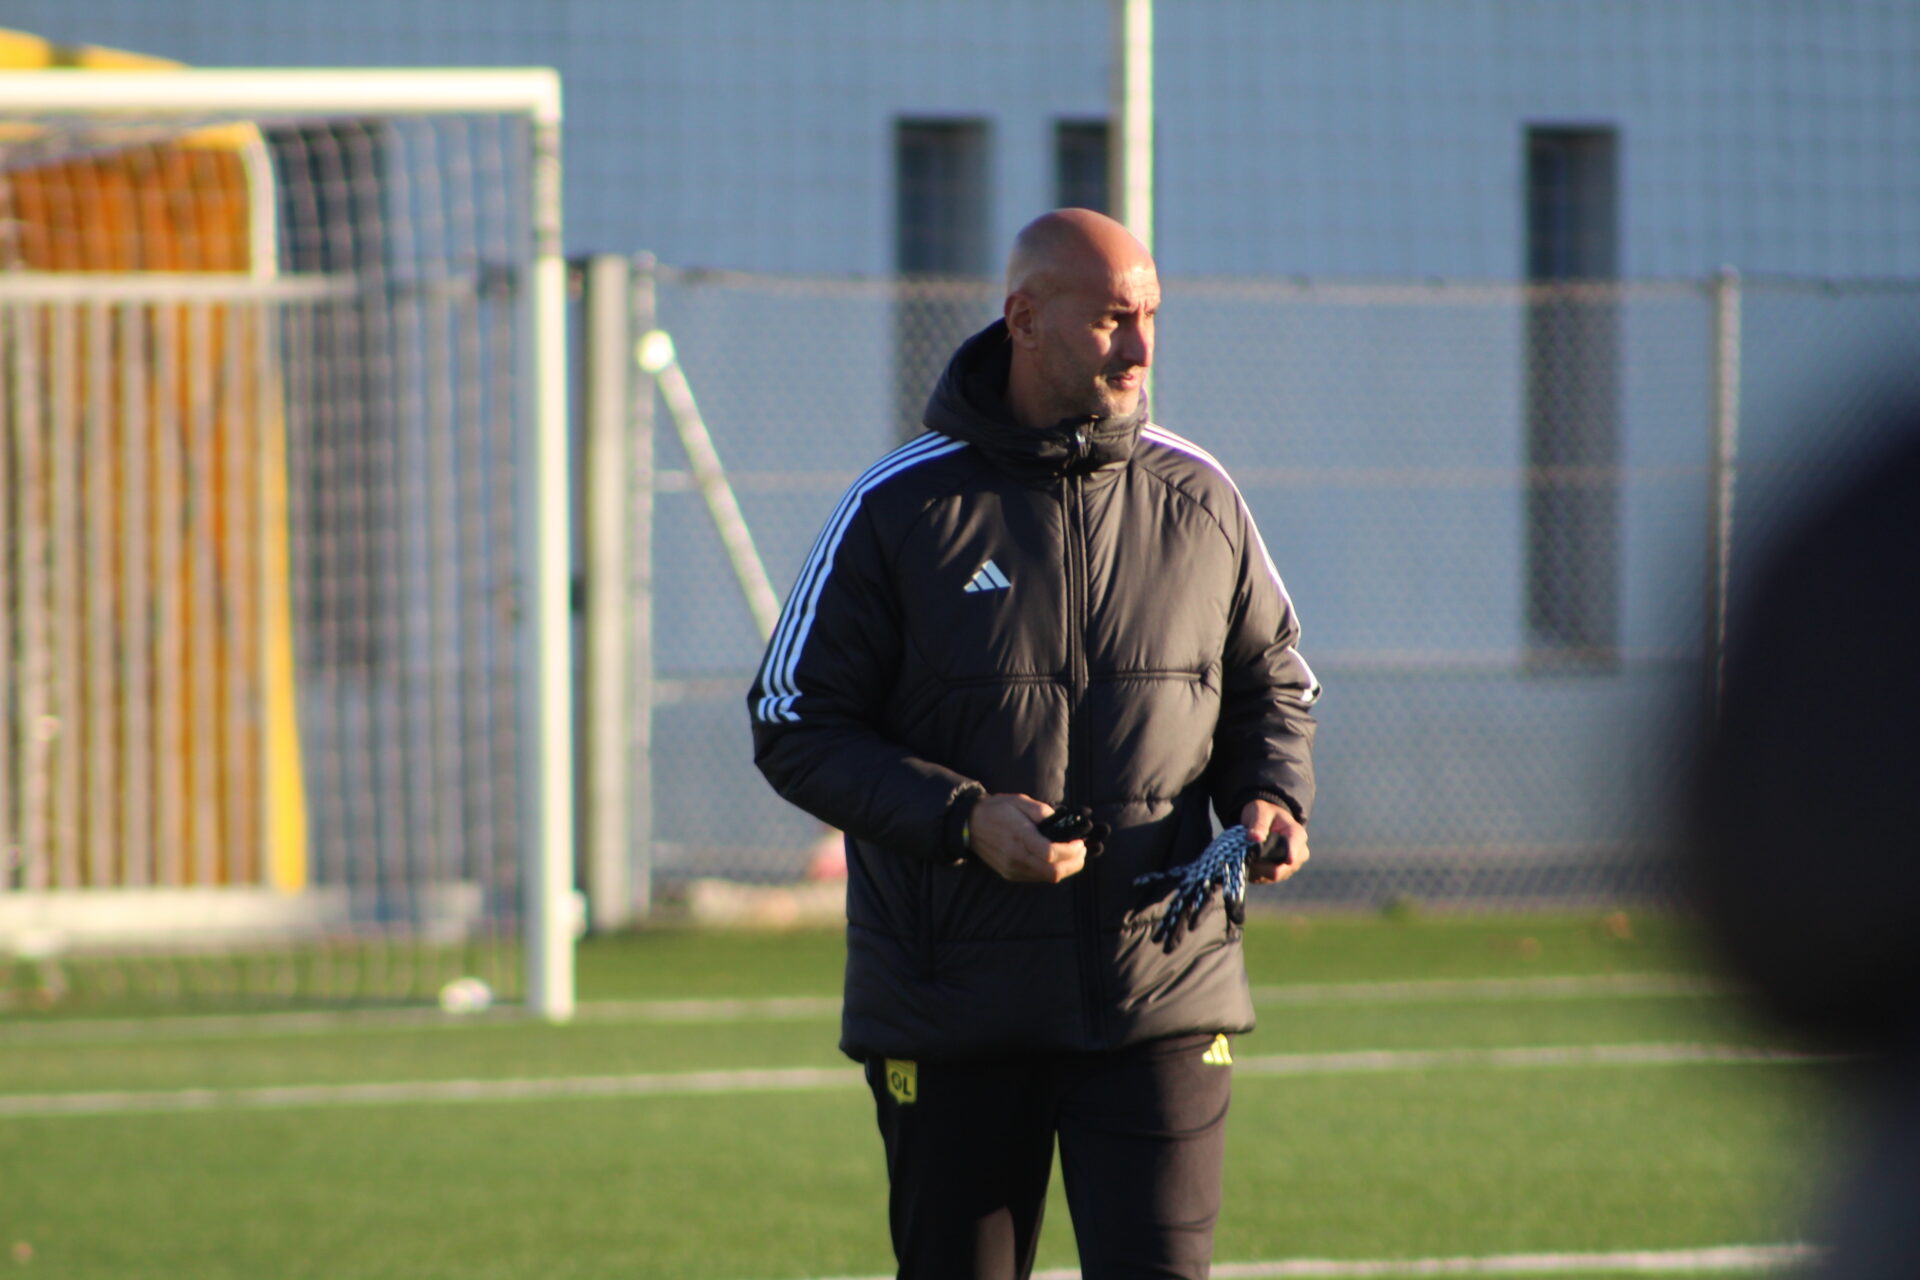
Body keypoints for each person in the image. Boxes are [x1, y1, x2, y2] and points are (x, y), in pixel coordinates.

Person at [748, 208, 1319, 1280]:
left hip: (1161, 988)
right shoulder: (900, 506)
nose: (1141, 350)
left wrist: (1273, 794)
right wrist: (965, 820)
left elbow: (1275, 683)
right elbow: (791, 718)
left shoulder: (1199, 496)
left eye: (1150, 318)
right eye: (1112, 321)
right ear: (1023, 317)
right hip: (954, 1007)